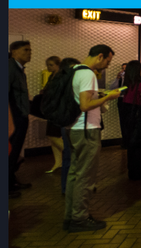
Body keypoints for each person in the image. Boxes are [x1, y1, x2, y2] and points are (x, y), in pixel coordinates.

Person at [64, 45, 122, 233]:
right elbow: (85, 105)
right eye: (107, 61)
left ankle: (71, 216)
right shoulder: (87, 74)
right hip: (87, 129)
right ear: (99, 56)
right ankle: (79, 218)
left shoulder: (74, 70)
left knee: (74, 174)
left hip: (74, 128)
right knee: (86, 176)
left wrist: (101, 95)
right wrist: (109, 97)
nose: (107, 65)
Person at [8, 41, 33, 198]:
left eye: (30, 50)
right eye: (25, 50)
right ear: (14, 51)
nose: (29, 53)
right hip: (14, 118)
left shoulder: (18, 69)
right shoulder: (10, 68)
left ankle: (11, 181)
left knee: (15, 152)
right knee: (10, 152)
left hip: (20, 116)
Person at [117, 60, 141, 180]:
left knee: (131, 146)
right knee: (140, 146)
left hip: (127, 117)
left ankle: (131, 171)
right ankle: (138, 172)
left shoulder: (126, 85)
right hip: (138, 117)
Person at [59, 57, 81, 196]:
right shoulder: (68, 83)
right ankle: (69, 187)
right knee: (72, 156)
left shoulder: (60, 82)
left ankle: (67, 187)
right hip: (72, 123)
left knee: (69, 155)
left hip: (65, 122)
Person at [43, 56, 63, 173]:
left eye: (51, 65)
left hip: (57, 110)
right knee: (52, 137)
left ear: (57, 65)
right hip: (52, 109)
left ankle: (72, 153)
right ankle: (58, 162)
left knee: (52, 135)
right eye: (48, 65)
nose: (48, 67)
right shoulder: (52, 76)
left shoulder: (60, 77)